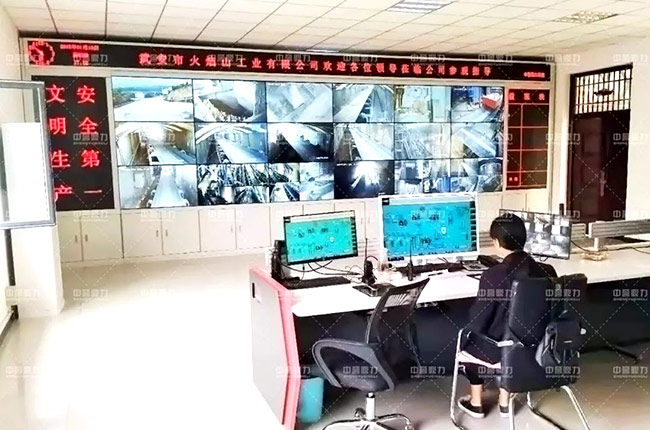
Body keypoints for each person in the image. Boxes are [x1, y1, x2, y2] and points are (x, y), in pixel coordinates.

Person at [457, 214, 557, 419]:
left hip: (501, 350)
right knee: (509, 334)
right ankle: (505, 401)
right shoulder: (547, 271)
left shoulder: (493, 275)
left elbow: (479, 319)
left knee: (471, 339)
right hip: (538, 347)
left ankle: (476, 403)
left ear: (496, 242)